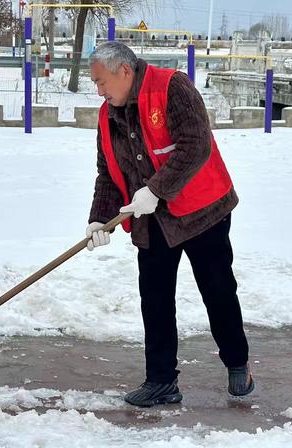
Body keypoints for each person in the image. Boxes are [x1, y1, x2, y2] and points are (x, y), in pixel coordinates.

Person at [86, 41, 254, 408]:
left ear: (124, 72)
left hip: (202, 212)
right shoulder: (107, 115)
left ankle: (238, 363)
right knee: (156, 298)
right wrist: (99, 218)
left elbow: (195, 145)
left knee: (217, 289)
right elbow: (108, 173)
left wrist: (155, 190)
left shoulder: (172, 87)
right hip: (152, 221)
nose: (98, 91)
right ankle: (161, 381)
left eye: (101, 82)